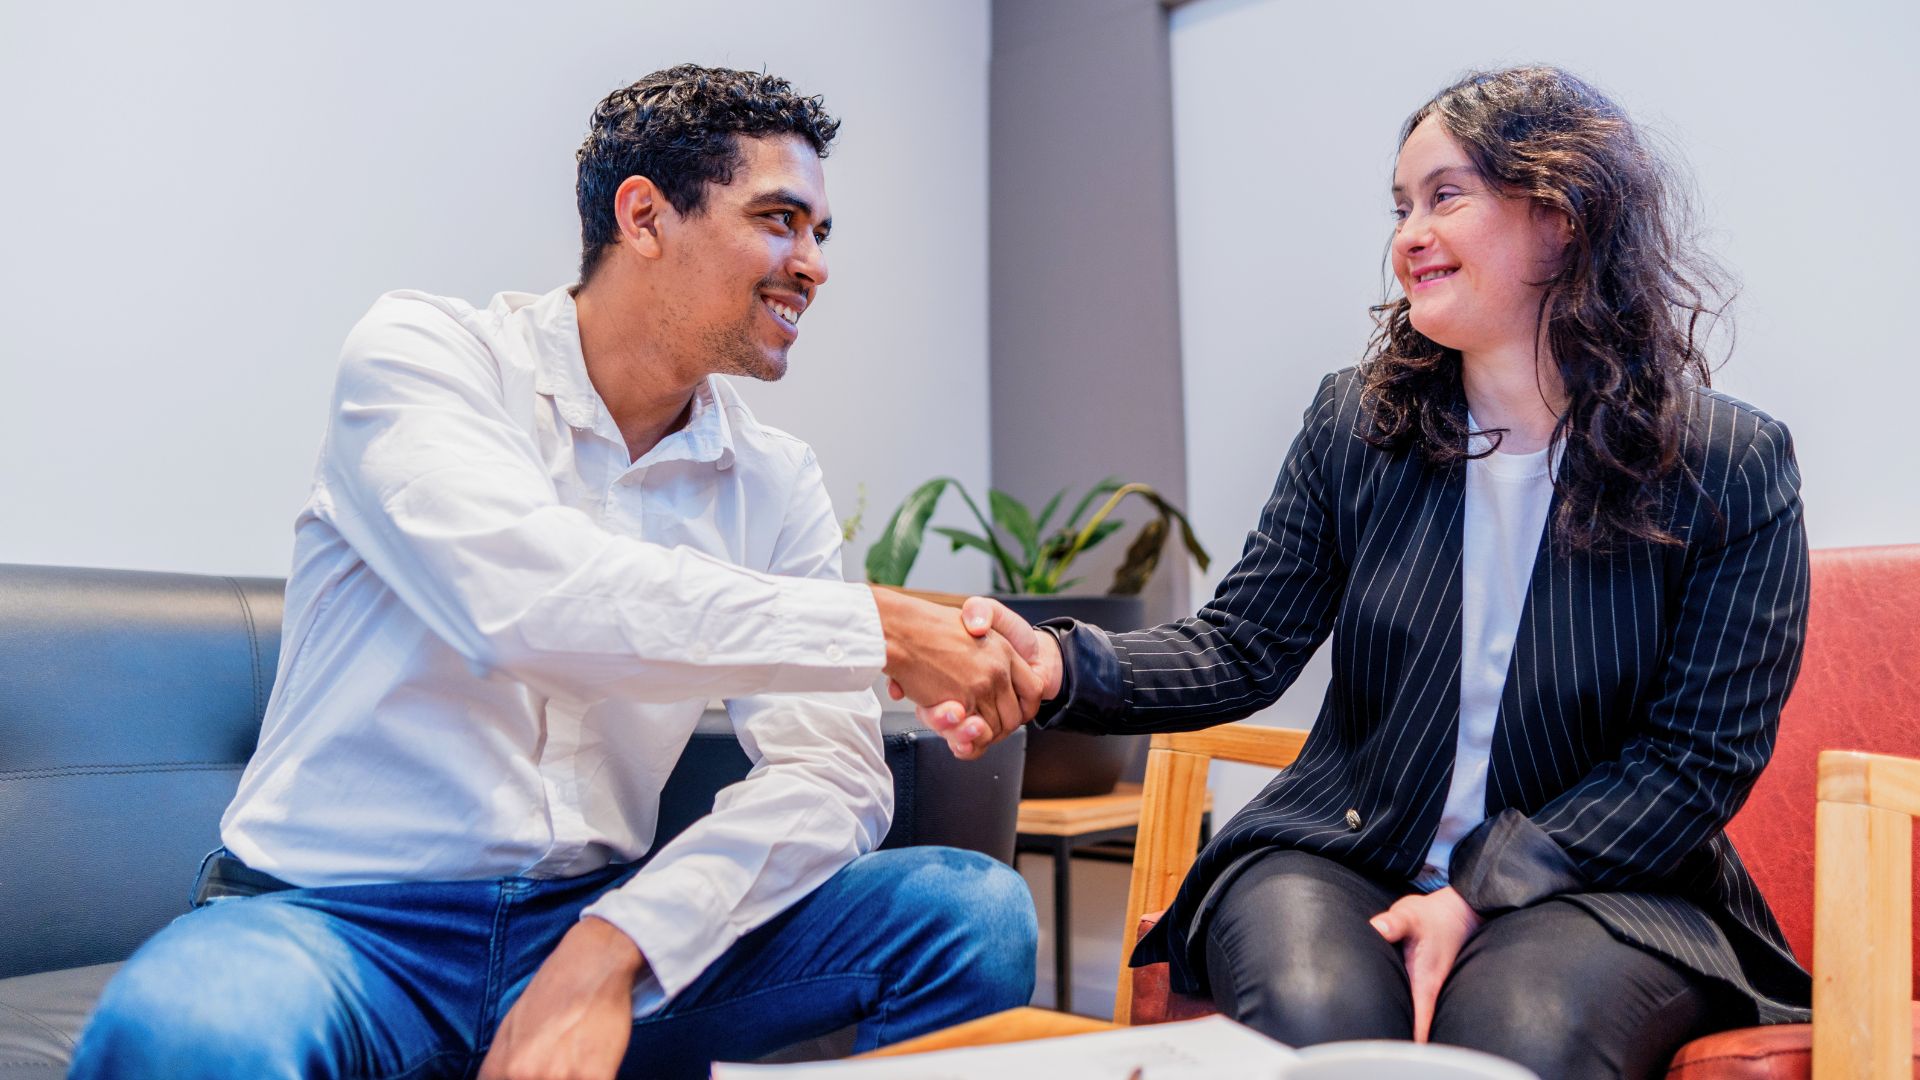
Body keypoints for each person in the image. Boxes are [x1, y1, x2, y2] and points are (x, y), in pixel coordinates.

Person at [69, 65, 1039, 1080]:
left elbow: (830, 771)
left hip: (593, 919)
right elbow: (531, 604)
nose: (814, 264)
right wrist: (875, 626)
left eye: (820, 233)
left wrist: (619, 947)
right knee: (187, 1035)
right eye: (780, 220)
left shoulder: (774, 478)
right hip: (339, 927)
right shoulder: (425, 359)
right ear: (646, 216)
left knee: (961, 916)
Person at [933, 66, 1810, 1078]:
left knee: (1518, 1032)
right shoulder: (1358, 424)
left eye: (1445, 196)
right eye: (1401, 207)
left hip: (1602, 882)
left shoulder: (1728, 463)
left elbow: (1693, 759)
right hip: (1339, 851)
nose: (1408, 236)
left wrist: (1479, 892)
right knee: (1321, 1028)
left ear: (1561, 215)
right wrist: (1056, 667)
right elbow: (1243, 645)